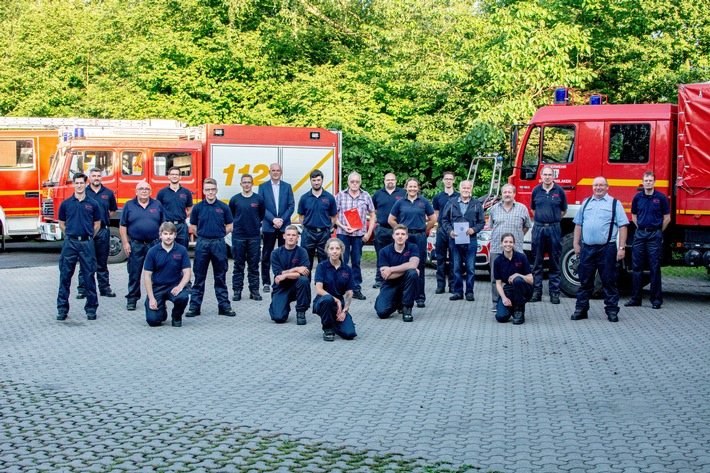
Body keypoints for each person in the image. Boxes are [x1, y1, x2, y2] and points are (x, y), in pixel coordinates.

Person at [572, 176, 629, 322]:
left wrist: (621, 248)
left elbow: (623, 226)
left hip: (607, 249)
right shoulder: (586, 203)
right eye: (596, 185)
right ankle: (581, 309)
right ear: (592, 187)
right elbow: (578, 224)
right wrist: (576, 244)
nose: (598, 188)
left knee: (609, 281)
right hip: (587, 248)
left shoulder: (614, 204)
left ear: (607, 187)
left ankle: (612, 310)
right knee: (585, 281)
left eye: (601, 185)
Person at [185, 178, 235, 317]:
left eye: (213, 189)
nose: (210, 192)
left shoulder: (224, 207)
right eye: (207, 189)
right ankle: (194, 307)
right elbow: (193, 226)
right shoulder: (198, 207)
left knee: (220, 276)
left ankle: (224, 306)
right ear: (203, 191)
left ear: (216, 190)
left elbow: (230, 226)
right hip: (203, 244)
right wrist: (202, 235)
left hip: (219, 244)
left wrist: (219, 234)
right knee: (199, 277)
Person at [56, 173, 101, 321]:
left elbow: (97, 225)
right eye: (77, 183)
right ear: (73, 184)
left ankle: (91, 309)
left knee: (89, 276)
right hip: (70, 243)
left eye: (82, 183)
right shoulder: (66, 204)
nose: (79, 185)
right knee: (65, 277)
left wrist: (87, 237)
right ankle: (62, 309)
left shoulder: (93, 204)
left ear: (85, 184)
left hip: (87, 243)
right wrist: (70, 235)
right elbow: (61, 223)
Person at [388, 178, 436, 308]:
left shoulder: (424, 202)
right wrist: (401, 232)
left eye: (415, 186)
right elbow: (391, 220)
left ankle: (420, 297)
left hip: (419, 236)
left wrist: (424, 229)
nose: (413, 189)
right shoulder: (400, 202)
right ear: (406, 187)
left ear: (418, 188)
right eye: (410, 186)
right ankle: (403, 296)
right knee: (404, 265)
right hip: (406, 238)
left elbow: (433, 219)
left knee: (419, 266)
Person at [625, 171, 671, 309]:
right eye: (646, 180)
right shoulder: (637, 198)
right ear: (643, 182)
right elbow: (633, 216)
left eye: (651, 180)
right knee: (637, 267)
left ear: (655, 182)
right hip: (640, 235)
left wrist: (657, 232)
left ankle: (656, 300)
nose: (648, 183)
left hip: (654, 236)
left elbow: (667, 218)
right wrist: (642, 228)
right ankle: (635, 299)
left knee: (654, 268)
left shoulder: (661, 198)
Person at [120, 181, 164, 311]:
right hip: (136, 244)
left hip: (154, 244)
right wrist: (126, 243)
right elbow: (123, 226)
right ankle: (132, 299)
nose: (144, 191)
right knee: (134, 272)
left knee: (157, 272)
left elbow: (163, 225)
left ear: (151, 192)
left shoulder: (157, 205)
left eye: (147, 189)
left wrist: (162, 243)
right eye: (141, 189)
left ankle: (157, 297)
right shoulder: (129, 205)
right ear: (136, 191)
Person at [488, 184, 531, 311]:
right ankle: (496, 303)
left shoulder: (522, 208)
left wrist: (516, 238)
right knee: (495, 278)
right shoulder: (494, 208)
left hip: (516, 248)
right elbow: (491, 226)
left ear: (514, 194)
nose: (507, 194)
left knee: (517, 278)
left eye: (509, 192)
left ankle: (517, 302)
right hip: (497, 248)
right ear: (502, 194)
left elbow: (526, 226)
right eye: (505, 192)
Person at [77, 167, 118, 299]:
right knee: (85, 261)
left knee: (102, 262)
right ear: (90, 177)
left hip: (102, 232)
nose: (96, 178)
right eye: (94, 175)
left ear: (102, 177)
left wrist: (102, 220)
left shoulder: (108, 193)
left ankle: (104, 288)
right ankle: (82, 289)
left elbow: (112, 210)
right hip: (87, 231)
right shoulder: (84, 191)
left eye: (98, 175)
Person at [440, 180, 485, 301]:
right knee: (456, 267)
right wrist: (450, 231)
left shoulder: (476, 204)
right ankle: (458, 291)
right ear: (460, 189)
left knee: (470, 267)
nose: (466, 190)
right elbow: (444, 220)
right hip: (455, 239)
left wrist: (474, 229)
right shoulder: (451, 202)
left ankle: (469, 292)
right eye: (463, 188)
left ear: (471, 189)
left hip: (471, 240)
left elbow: (482, 222)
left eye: (468, 188)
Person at [529, 166, 568, 304]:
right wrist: (542, 221)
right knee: (537, 262)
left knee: (554, 262)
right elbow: (533, 209)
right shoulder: (536, 191)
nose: (547, 177)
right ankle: (536, 292)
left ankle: (554, 293)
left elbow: (563, 210)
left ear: (553, 176)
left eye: (550, 174)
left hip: (554, 229)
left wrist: (552, 220)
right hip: (539, 229)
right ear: (541, 176)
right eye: (545, 174)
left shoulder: (559, 191)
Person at [334, 171, 375, 300]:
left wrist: (369, 233)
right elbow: (333, 216)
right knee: (342, 261)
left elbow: (373, 215)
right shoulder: (340, 196)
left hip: (359, 235)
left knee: (356, 261)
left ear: (360, 182)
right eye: (352, 181)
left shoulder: (366, 196)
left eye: (357, 181)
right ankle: (340, 287)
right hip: (343, 234)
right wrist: (342, 226)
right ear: (348, 182)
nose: (355, 184)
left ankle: (356, 288)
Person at [143, 222, 191, 327]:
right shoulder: (152, 252)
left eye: (170, 234)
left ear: (175, 235)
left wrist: (180, 287)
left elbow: (187, 272)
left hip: (173, 286)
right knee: (153, 321)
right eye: (165, 234)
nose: (168, 237)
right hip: (157, 287)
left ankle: (176, 316)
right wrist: (151, 298)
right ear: (160, 235)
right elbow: (147, 276)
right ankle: (161, 311)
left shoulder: (181, 250)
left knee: (183, 297)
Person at [229, 174, 265, 301]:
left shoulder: (258, 199)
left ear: (252, 184)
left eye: (249, 182)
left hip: (254, 237)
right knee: (238, 265)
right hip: (238, 236)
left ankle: (254, 291)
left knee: (254, 265)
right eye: (244, 182)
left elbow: (261, 215)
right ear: (240, 184)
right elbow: (231, 215)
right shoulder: (235, 200)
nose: (246, 184)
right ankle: (237, 291)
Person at [313, 238, 358, 342]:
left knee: (349, 334)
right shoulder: (321, 266)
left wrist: (344, 311)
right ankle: (327, 327)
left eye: (337, 248)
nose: (334, 251)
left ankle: (334, 322)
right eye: (331, 248)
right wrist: (336, 300)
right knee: (328, 299)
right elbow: (319, 290)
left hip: (339, 306)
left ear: (341, 250)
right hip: (323, 302)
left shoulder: (347, 269)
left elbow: (349, 293)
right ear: (327, 250)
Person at [259, 163, 294, 293]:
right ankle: (266, 282)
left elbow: (291, 206)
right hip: (269, 226)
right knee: (266, 255)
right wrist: (273, 219)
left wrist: (282, 220)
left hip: (284, 226)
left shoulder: (287, 187)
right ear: (269, 172)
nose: (275, 172)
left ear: (281, 172)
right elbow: (261, 206)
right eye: (273, 170)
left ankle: (282, 279)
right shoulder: (263, 187)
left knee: (284, 255)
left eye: (277, 170)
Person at [375, 224, 420, 322]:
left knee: (412, 274)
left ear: (407, 236)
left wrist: (391, 269)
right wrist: (407, 268)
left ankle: (407, 308)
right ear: (393, 236)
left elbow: (413, 265)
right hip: (390, 284)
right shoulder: (384, 251)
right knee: (382, 313)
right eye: (397, 234)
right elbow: (386, 276)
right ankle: (397, 302)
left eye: (403, 234)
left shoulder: (413, 247)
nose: (400, 236)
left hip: (407, 283)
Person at [269, 225, 312, 325]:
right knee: (278, 318)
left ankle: (301, 311)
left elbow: (304, 274)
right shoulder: (276, 253)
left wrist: (285, 275)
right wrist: (296, 269)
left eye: (294, 235)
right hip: (281, 287)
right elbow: (278, 274)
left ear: (298, 237)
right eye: (288, 235)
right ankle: (282, 304)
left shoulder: (302, 252)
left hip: (296, 286)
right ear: (284, 236)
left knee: (304, 281)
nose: (291, 237)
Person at [298, 169, 338, 272]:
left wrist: (327, 228)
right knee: (306, 263)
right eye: (314, 180)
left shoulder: (329, 198)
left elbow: (333, 217)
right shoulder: (304, 198)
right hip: (308, 234)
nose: (316, 182)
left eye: (318, 180)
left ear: (322, 180)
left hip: (324, 234)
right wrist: (308, 227)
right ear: (310, 181)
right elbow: (301, 217)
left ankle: (323, 287)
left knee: (325, 263)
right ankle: (306, 287)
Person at [371, 172, 406, 288]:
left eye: (392, 180)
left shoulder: (402, 193)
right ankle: (379, 279)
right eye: (388, 180)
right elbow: (373, 210)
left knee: (397, 255)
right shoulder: (377, 194)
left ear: (396, 181)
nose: (390, 181)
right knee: (381, 255)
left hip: (396, 230)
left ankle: (396, 278)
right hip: (381, 229)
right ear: (384, 181)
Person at [494, 233, 534, 324]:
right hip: (509, 290)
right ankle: (512, 308)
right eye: (506, 242)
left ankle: (519, 312)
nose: (508, 244)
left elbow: (531, 279)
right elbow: (498, 284)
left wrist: (518, 275)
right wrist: (504, 298)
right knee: (501, 317)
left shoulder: (522, 257)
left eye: (511, 242)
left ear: (514, 244)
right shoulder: (497, 261)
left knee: (518, 280)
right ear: (501, 244)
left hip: (524, 289)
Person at [432, 171, 458, 294]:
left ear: (454, 180)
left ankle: (453, 285)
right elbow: (436, 214)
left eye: (450, 179)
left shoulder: (458, 196)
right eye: (446, 179)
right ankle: (440, 285)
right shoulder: (437, 197)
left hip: (454, 229)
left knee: (454, 258)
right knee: (441, 258)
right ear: (443, 180)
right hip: (442, 229)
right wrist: (435, 228)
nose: (448, 181)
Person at [156, 167, 193, 250]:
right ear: (168, 176)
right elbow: (157, 209)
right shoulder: (162, 193)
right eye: (172, 174)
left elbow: (190, 208)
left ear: (180, 177)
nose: (174, 176)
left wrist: (182, 215)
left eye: (176, 174)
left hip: (181, 227)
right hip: (167, 226)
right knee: (165, 250)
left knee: (182, 250)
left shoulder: (186, 192)